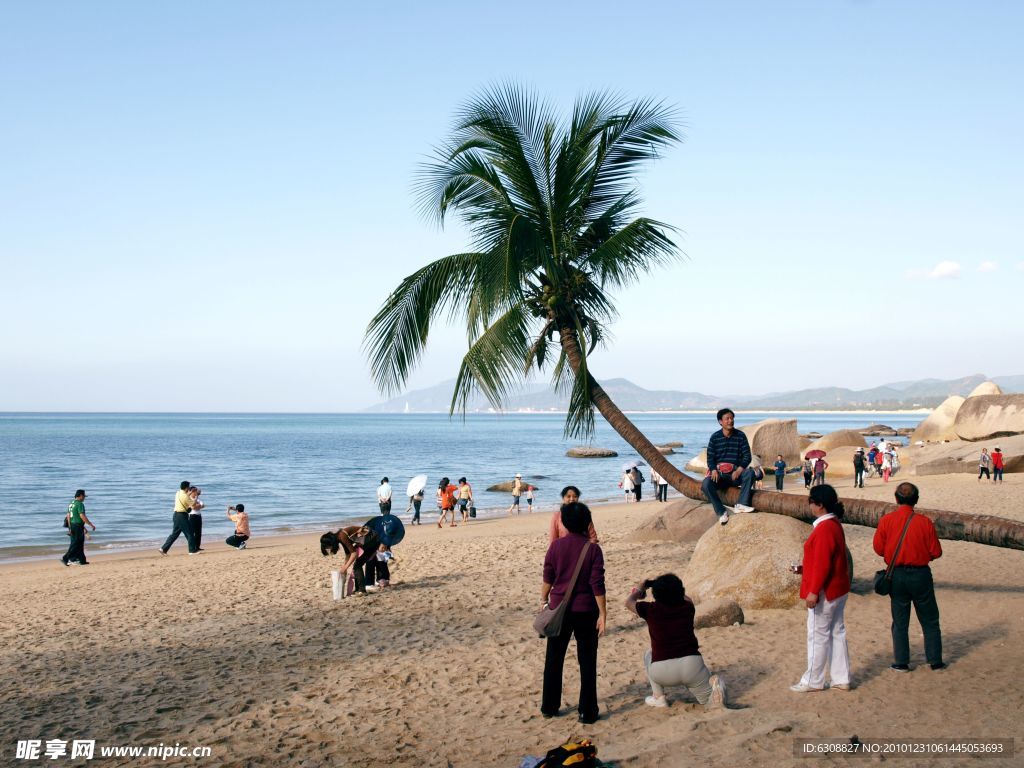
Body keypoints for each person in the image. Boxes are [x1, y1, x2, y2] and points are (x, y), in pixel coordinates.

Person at [540, 502, 606, 724]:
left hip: (559, 609)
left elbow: (548, 577)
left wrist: (543, 600)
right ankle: (587, 711)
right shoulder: (593, 549)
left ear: (565, 523)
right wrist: (603, 614)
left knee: (554, 659)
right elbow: (597, 584)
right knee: (587, 661)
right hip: (586, 610)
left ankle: (549, 706)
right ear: (586, 523)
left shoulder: (555, 547)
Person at [872, 482, 945, 672]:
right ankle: (935, 660)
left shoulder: (887, 521)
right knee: (929, 619)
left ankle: (902, 661)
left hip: (896, 574)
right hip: (920, 574)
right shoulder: (924, 522)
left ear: (896, 499)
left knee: (900, 620)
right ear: (916, 500)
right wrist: (922, 556)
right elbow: (936, 552)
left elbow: (879, 549)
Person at [625, 573, 727, 708]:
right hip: (692, 666)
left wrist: (641, 588)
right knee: (708, 701)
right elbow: (686, 598)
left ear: (656, 595)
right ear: (680, 591)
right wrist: (668, 586)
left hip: (662, 671)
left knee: (648, 654)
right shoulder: (688, 607)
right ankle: (714, 695)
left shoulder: (650, 610)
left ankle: (658, 697)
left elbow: (628, 602)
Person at [790, 484, 851, 692]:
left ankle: (813, 680)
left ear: (819, 505)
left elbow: (824, 563)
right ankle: (841, 677)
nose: (810, 506)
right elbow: (827, 560)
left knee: (817, 634)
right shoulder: (834, 524)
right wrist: (804, 569)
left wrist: (814, 590)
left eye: (812, 502)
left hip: (826, 590)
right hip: (838, 588)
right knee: (836, 632)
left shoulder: (824, 528)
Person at [701, 408, 756, 525]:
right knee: (706, 484)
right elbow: (710, 458)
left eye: (732, 418)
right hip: (719, 477)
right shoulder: (715, 437)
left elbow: (747, 456)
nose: (730, 421)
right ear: (720, 421)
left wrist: (739, 470)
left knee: (750, 473)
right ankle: (721, 512)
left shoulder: (740, 436)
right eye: (727, 419)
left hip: (735, 475)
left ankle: (741, 505)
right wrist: (713, 470)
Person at [320, 525, 381, 595]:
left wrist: (345, 567)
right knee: (357, 565)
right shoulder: (340, 537)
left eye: (329, 546)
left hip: (373, 540)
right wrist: (344, 568)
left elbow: (354, 554)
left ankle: (362, 590)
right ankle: (358, 589)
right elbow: (348, 554)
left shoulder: (342, 536)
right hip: (369, 540)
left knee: (357, 565)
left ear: (331, 542)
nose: (330, 548)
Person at [160, 480, 199, 555]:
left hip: (176, 515)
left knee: (174, 534)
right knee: (189, 532)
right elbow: (193, 505)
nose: (189, 488)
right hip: (182, 516)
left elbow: (185, 496)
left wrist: (190, 493)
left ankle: (163, 549)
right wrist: (196, 496)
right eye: (189, 487)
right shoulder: (185, 496)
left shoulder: (177, 493)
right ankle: (192, 551)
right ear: (187, 487)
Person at [62, 489, 96, 566]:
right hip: (77, 526)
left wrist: (70, 528)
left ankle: (82, 560)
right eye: (84, 496)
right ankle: (66, 558)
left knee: (79, 543)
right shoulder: (80, 504)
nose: (84, 498)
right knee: (76, 544)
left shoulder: (71, 503)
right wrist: (90, 524)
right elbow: (82, 516)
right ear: (80, 496)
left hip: (74, 525)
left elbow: (68, 516)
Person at [188, 486, 205, 551]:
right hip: (192, 516)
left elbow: (203, 505)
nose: (195, 492)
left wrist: (197, 506)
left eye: (196, 491)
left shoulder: (197, 499)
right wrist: (197, 506)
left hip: (198, 516)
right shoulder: (189, 499)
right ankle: (193, 547)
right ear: (191, 492)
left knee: (198, 532)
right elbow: (193, 507)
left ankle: (197, 546)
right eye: (194, 491)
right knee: (192, 532)